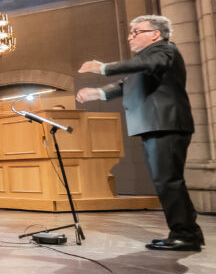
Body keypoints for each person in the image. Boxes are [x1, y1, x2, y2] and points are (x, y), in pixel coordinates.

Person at [76, 14, 205, 251]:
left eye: (136, 32)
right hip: (157, 123)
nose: (129, 37)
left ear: (155, 34)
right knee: (167, 181)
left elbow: (145, 66)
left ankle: (185, 234)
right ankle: (186, 232)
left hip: (165, 122)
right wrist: (99, 93)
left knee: (168, 181)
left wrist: (104, 68)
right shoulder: (149, 58)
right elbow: (129, 84)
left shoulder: (164, 50)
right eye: (130, 32)